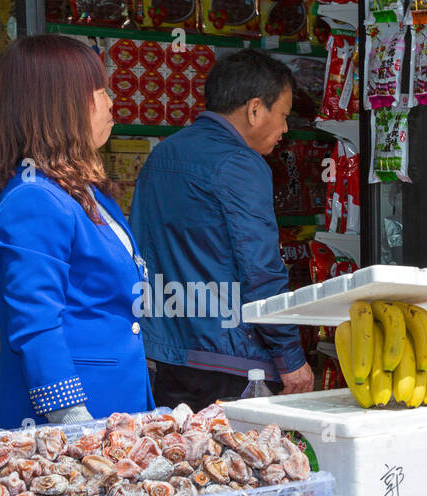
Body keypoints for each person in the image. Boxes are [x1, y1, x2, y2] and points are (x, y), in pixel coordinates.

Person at [0, 35, 152, 428]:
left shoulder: (81, 190)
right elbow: (37, 327)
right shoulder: (34, 199)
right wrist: (76, 426)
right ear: (64, 104)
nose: (112, 101)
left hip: (113, 411)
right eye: (101, 90)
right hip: (69, 426)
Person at [131, 49, 314, 409]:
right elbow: (261, 270)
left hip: (168, 354)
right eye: (283, 116)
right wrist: (290, 357)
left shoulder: (162, 155)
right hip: (231, 362)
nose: (285, 129)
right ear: (255, 109)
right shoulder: (242, 164)